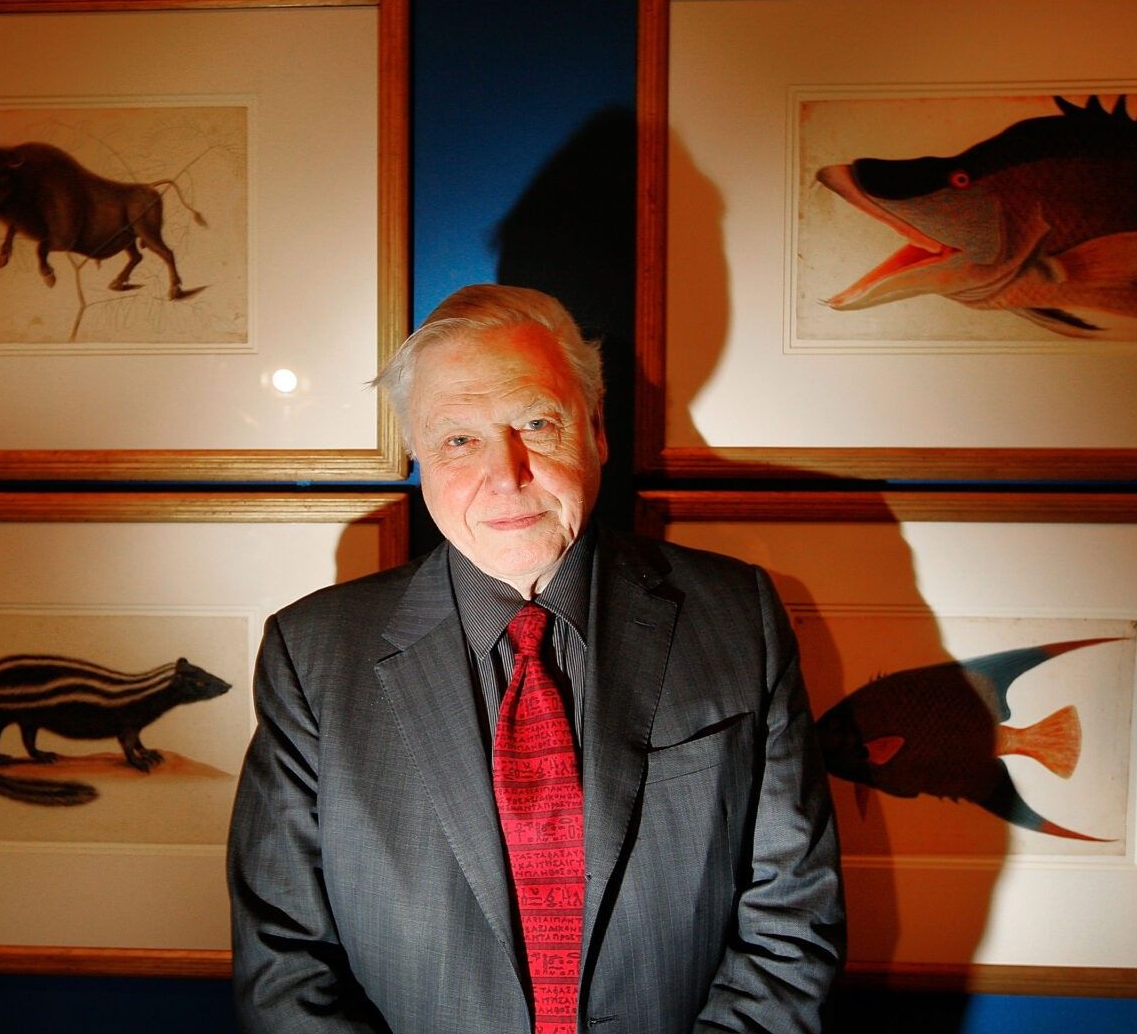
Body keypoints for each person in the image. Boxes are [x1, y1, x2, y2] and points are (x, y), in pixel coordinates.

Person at [227, 284, 844, 1033]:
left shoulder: (737, 618)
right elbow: (284, 960)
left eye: (536, 423)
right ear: (418, 455)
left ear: (597, 429)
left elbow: (792, 920)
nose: (507, 473)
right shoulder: (312, 654)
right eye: (459, 440)